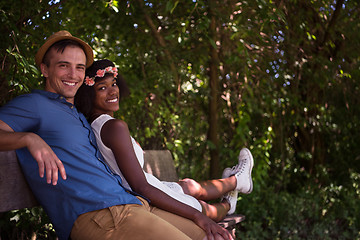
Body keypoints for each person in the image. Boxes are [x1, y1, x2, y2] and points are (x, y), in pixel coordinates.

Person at [0, 30, 231, 240]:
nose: (73, 74)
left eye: (79, 67)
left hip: (132, 205)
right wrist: (29, 139)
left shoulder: (77, 114)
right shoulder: (35, 104)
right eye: (63, 65)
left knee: (212, 235)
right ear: (44, 69)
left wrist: (199, 216)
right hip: (100, 215)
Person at [75, 60, 254, 226]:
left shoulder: (95, 125)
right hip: (147, 195)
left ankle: (237, 180)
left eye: (113, 84)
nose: (113, 91)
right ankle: (229, 203)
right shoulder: (114, 127)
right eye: (102, 88)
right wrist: (196, 215)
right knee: (209, 210)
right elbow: (140, 186)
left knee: (189, 185)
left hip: (150, 185)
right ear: (89, 95)